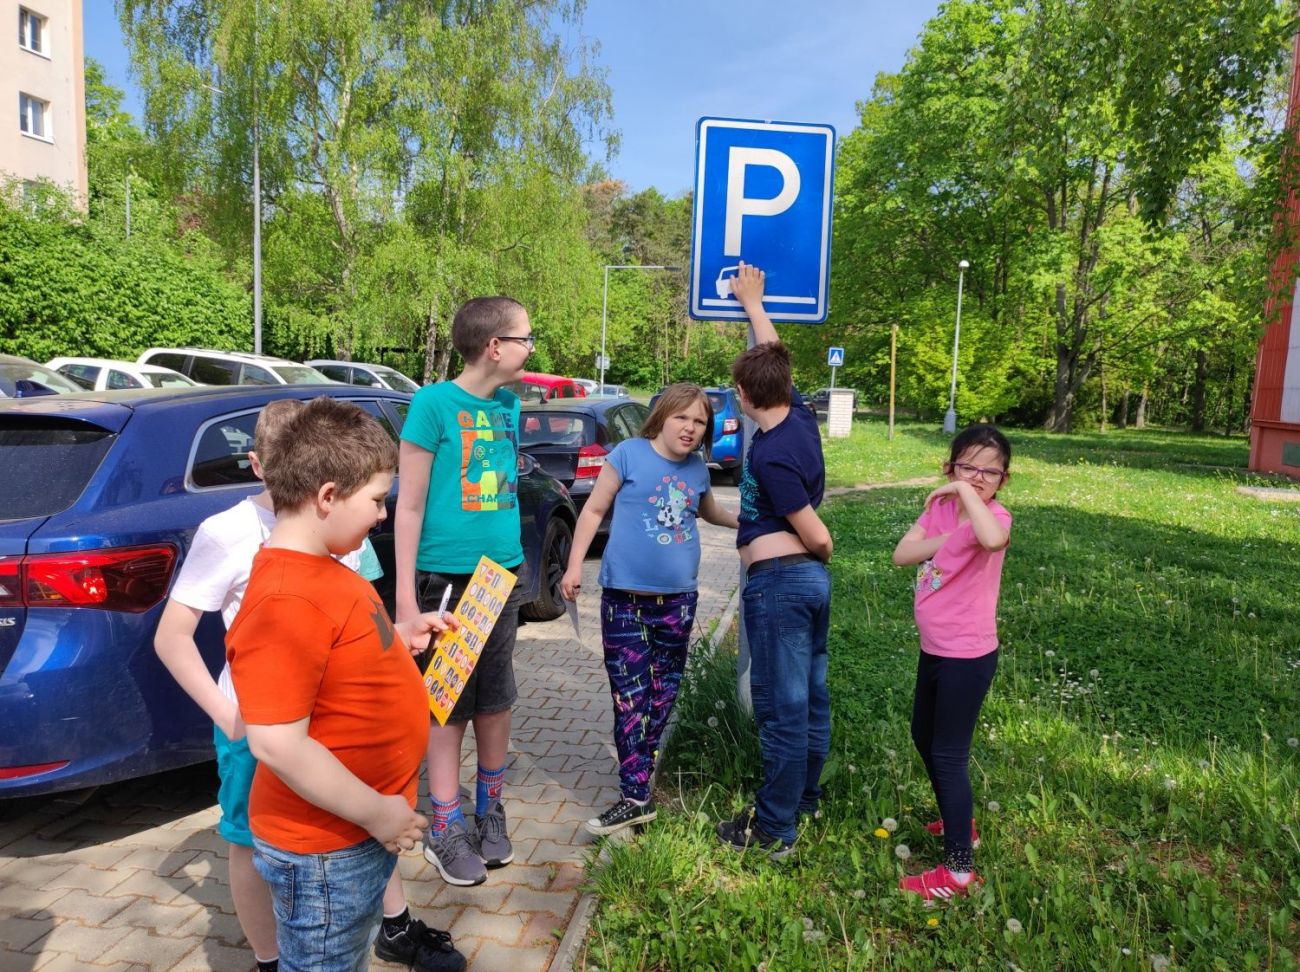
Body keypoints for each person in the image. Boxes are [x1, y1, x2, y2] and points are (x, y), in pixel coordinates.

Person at [155, 399, 463, 972]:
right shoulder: (285, 598)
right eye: (376, 500)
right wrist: (377, 812)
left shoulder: (326, 566)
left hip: (349, 835)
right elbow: (277, 742)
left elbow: (344, 644)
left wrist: (402, 635)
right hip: (326, 849)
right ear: (326, 496)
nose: (381, 515)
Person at [559, 383, 739, 836]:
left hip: (678, 601)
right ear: (662, 417)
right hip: (624, 600)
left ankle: (639, 775)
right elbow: (593, 511)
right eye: (682, 417)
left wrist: (754, 521)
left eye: (699, 422)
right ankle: (635, 793)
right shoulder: (628, 454)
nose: (690, 428)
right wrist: (574, 566)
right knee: (630, 697)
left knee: (663, 694)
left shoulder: (697, 468)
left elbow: (711, 512)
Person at [394, 296, 531, 887]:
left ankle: (489, 811)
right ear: (494, 347)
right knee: (446, 705)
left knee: (496, 701)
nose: (532, 348)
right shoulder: (432, 404)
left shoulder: (510, 405)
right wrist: (406, 601)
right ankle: (445, 826)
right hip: (447, 579)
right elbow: (409, 506)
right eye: (526, 338)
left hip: (502, 576)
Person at [713, 262, 834, 860]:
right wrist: (755, 305)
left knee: (782, 710)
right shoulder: (799, 417)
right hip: (805, 586)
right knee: (809, 698)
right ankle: (802, 799)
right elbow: (773, 355)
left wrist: (820, 548)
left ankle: (773, 830)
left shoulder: (771, 456)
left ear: (743, 396)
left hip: (782, 583)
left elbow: (818, 536)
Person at [892, 423, 1012, 900]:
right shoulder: (939, 510)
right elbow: (903, 554)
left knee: (948, 753)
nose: (978, 478)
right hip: (935, 648)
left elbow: (991, 540)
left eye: (990, 472)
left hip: (967, 654)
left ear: (1003, 479)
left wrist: (965, 492)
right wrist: (950, 533)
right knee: (923, 735)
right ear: (949, 466)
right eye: (968, 468)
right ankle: (960, 820)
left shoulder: (996, 516)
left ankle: (959, 871)